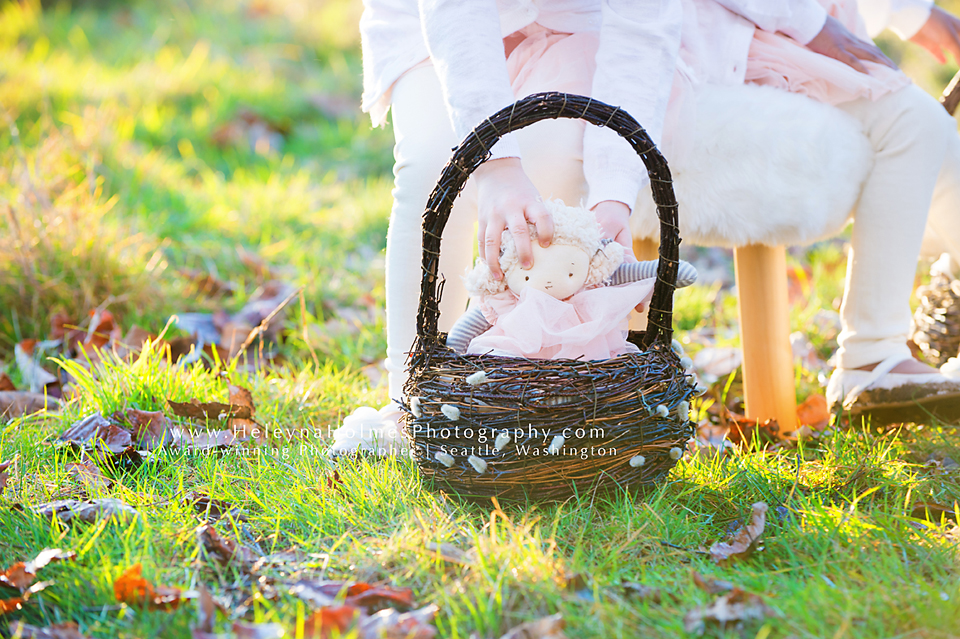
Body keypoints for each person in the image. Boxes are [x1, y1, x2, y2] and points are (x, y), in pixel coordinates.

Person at [330, 0, 684, 454]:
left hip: (575, 23)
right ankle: (412, 399)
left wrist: (613, 196)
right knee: (430, 168)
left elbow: (642, 26)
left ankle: (538, 399)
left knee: (553, 170)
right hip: (435, 20)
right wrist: (496, 166)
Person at [676, 0, 960, 419]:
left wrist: (913, 15)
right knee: (915, 122)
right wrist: (814, 25)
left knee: (938, 147)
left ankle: (882, 349)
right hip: (722, 43)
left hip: (761, 30)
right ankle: (872, 353)